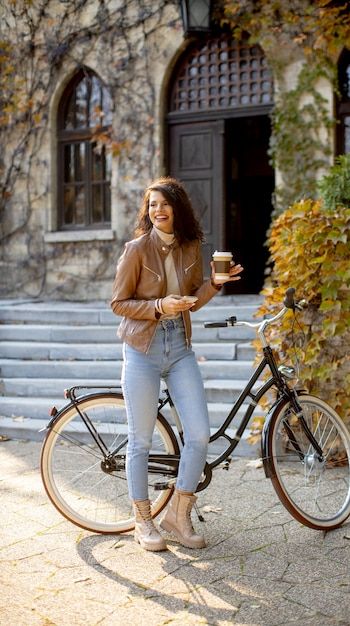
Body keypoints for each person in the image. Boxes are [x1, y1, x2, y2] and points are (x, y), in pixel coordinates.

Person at [111, 176, 243, 551]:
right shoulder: (136, 249)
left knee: (199, 435)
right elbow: (118, 303)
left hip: (180, 348)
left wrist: (216, 284)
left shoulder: (190, 247)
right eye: (152, 205)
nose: (157, 210)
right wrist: (157, 307)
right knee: (140, 439)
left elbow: (192, 299)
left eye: (164, 204)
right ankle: (143, 520)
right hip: (142, 349)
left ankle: (178, 515)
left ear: (177, 208)